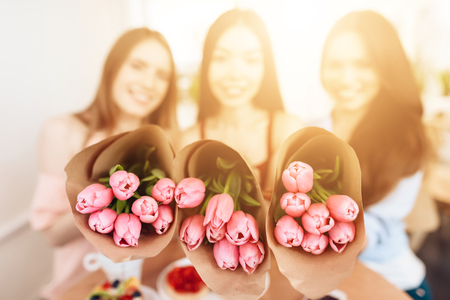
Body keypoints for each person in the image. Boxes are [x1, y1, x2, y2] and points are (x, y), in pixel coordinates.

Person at [30, 27, 179, 300]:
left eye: (162, 75)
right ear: (113, 68)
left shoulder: (166, 144)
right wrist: (103, 197)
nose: (149, 83)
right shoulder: (63, 132)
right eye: (137, 66)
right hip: (81, 289)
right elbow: (52, 235)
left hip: (147, 284)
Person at [320, 11, 431, 299]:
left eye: (363, 65)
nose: (347, 79)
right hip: (326, 279)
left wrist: (316, 225)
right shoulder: (313, 128)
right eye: (335, 65)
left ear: (385, 67)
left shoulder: (405, 139)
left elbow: (375, 229)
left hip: (390, 282)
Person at [181, 9, 303, 191]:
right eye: (221, 58)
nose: (235, 73)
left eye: (251, 60)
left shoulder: (287, 131)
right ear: (206, 64)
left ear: (265, 68)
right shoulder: (188, 141)